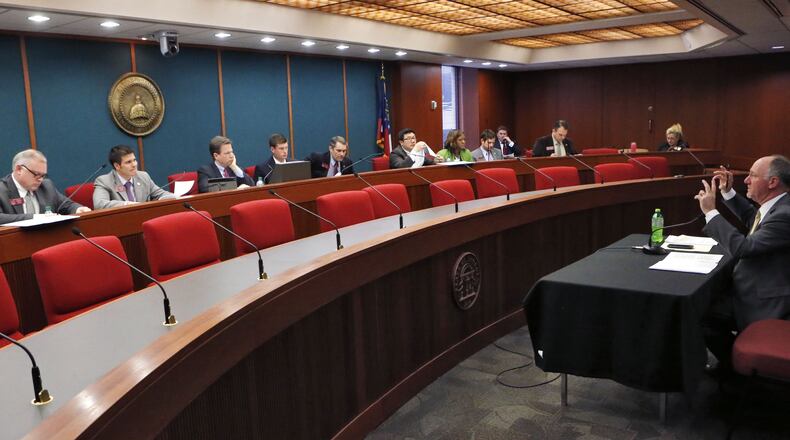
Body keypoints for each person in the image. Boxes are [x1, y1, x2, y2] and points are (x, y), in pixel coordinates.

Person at [694, 155, 790, 372]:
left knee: (701, 317)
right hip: (754, 287)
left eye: (752, 176)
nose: (746, 180)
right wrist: (727, 192)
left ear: (772, 182)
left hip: (766, 299)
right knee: (703, 307)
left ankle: (737, 369)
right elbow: (752, 218)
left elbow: (744, 249)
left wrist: (711, 212)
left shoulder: (785, 215)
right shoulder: (779, 205)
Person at [0, 149, 91, 225]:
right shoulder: (2, 189)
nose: (40, 179)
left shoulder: (46, 186)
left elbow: (67, 205)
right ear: (19, 169)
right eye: (36, 174)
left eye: (43, 175)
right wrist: (34, 217)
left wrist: (78, 209)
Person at [93, 145, 175, 209]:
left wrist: (171, 197)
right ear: (117, 166)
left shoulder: (143, 176)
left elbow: (160, 194)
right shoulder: (104, 181)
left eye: (134, 160)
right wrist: (127, 204)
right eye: (128, 162)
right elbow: (99, 204)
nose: (134, 165)